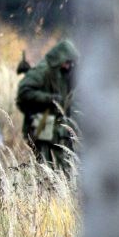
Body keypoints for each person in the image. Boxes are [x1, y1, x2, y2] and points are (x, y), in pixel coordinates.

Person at [16, 39, 78, 175]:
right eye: (67, 62)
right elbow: (24, 91)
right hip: (42, 123)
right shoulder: (43, 70)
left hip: (58, 127)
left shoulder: (64, 72)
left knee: (63, 165)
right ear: (60, 58)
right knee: (44, 164)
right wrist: (49, 98)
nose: (69, 65)